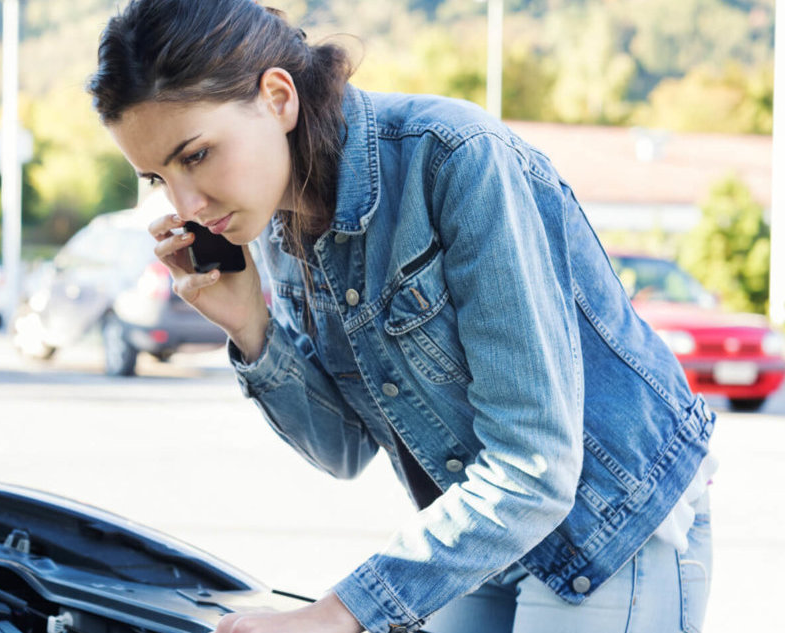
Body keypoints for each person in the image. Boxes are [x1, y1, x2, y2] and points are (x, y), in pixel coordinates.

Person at [89, 2, 717, 632]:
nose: (187, 205)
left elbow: (538, 466)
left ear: (278, 98)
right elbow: (342, 450)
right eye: (157, 178)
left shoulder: (456, 158)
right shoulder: (279, 228)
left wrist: (336, 615)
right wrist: (251, 327)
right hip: (480, 528)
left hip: (607, 520)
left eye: (195, 156)